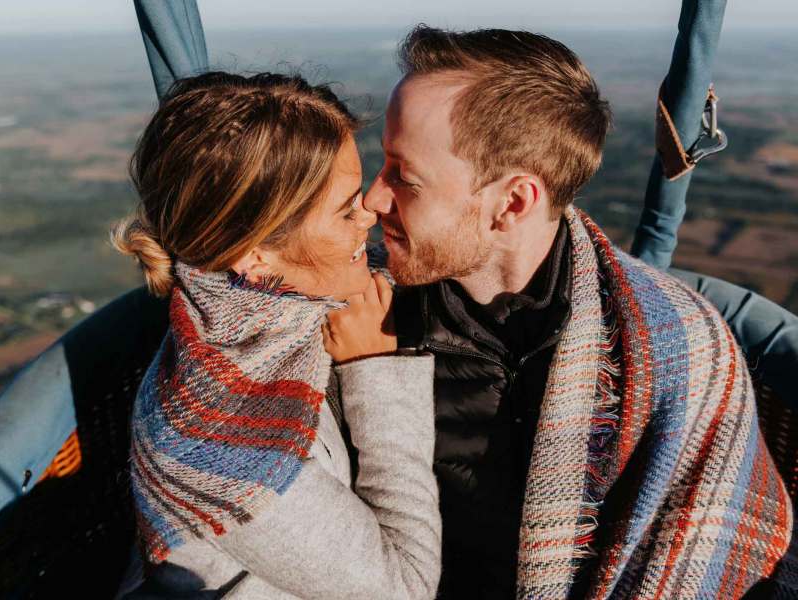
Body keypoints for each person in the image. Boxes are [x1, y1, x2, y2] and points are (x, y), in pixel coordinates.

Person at [362, 26, 794, 599]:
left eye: (404, 177)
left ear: (512, 203)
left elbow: (703, 562)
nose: (372, 198)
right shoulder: (356, 311)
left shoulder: (681, 350)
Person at [111, 71, 441, 599]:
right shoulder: (219, 442)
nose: (371, 211)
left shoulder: (275, 311)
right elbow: (406, 588)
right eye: (345, 207)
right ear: (257, 255)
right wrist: (374, 373)